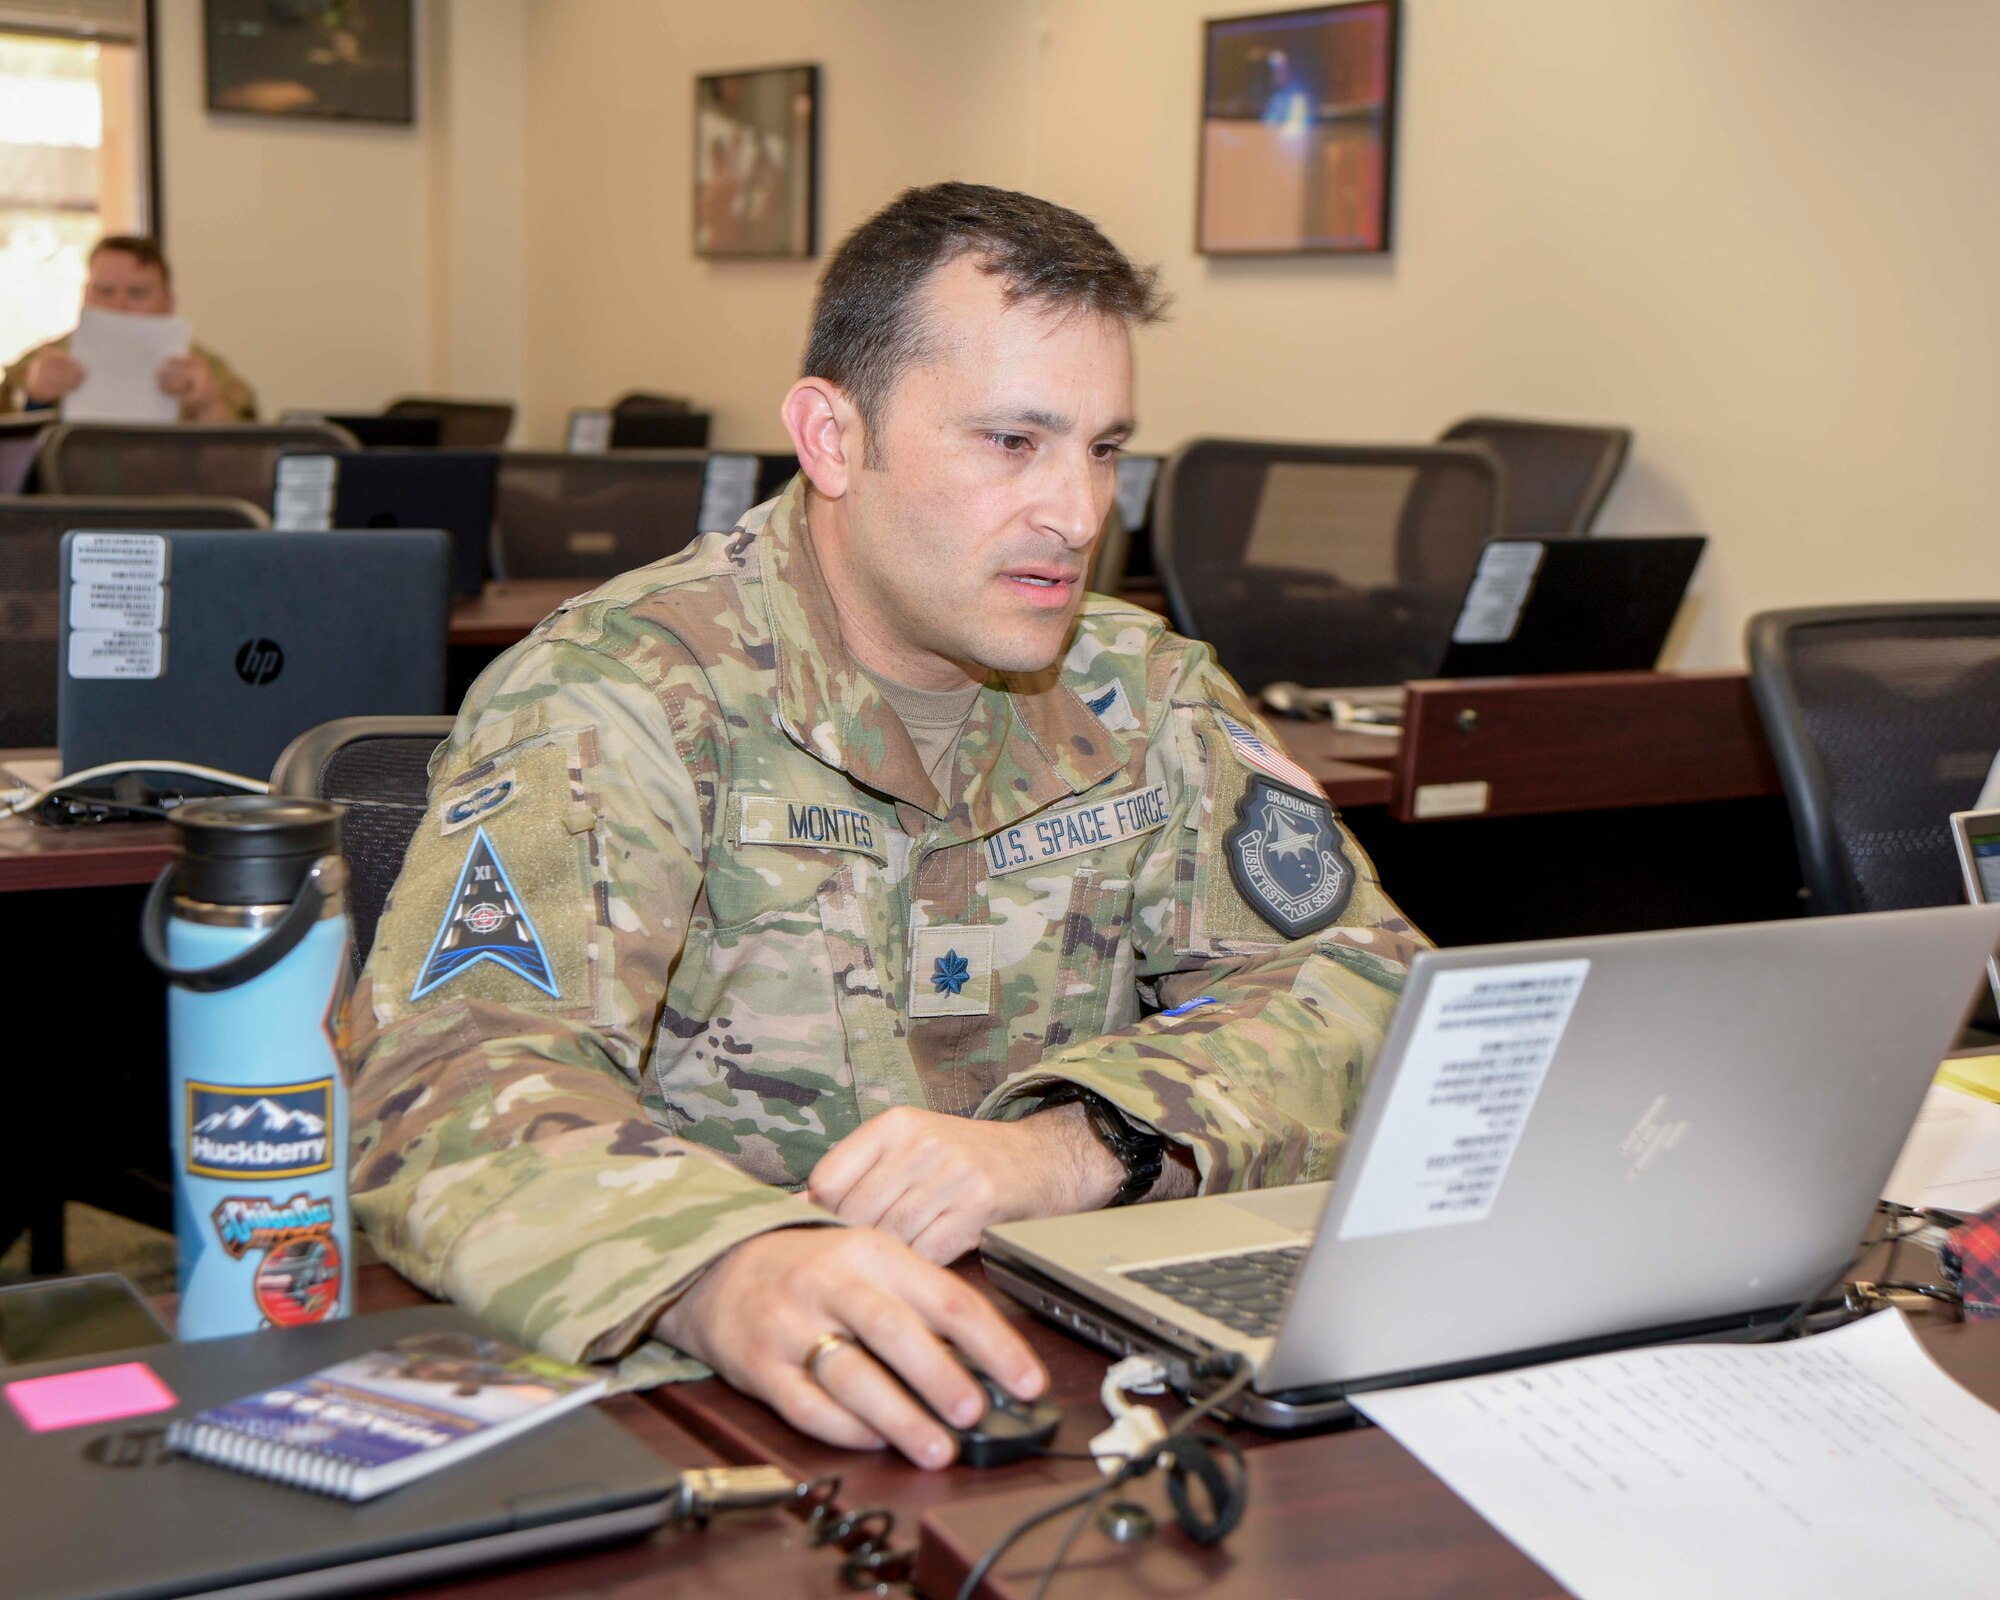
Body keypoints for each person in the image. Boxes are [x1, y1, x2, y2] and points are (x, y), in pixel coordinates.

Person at [346, 182, 1423, 1470]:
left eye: (1102, 449)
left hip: (1071, 1384)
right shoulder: (621, 694)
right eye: (1011, 443)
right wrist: (724, 1267)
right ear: (832, 438)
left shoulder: (1145, 691)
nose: (1076, 515)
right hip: (722, 1406)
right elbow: (449, 1077)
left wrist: (1075, 1145)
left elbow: (1371, 988)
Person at [1, 235, 257, 421]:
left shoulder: (204, 372)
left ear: (169, 303)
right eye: (104, 291)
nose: (117, 304)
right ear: (85, 296)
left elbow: (250, 465)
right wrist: (33, 400)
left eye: (137, 293)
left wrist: (208, 405)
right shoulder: (42, 363)